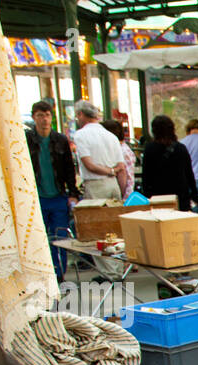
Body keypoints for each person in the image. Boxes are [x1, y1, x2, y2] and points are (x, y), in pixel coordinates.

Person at [25, 100, 78, 279]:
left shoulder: (60, 140)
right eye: (40, 115)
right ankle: (46, 274)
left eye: (47, 115)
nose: (44, 120)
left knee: (61, 238)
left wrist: (73, 194)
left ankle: (59, 274)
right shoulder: (28, 140)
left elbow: (69, 168)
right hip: (37, 197)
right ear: (34, 118)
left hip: (58, 196)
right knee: (41, 239)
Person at [141, 115, 198, 212]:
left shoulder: (149, 149)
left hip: (158, 198)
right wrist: (194, 194)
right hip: (180, 198)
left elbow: (146, 176)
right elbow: (189, 174)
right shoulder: (181, 148)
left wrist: (147, 195)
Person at [69, 100, 125, 201]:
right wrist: (121, 191)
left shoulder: (81, 135)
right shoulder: (112, 136)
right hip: (113, 184)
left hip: (94, 186)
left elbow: (89, 165)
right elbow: (121, 168)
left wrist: (111, 171)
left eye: (77, 116)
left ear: (80, 114)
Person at [101, 119, 135, 199]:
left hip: (125, 195)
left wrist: (121, 194)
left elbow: (122, 173)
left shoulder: (120, 150)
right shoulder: (124, 148)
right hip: (128, 192)